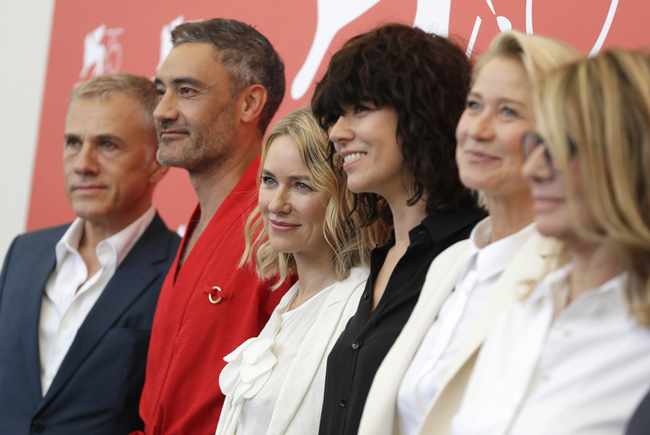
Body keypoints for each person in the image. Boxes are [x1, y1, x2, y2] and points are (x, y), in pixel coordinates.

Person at [357, 31, 581, 435]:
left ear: (559, 133)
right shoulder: (451, 263)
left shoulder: (572, 273)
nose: (477, 128)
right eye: (474, 105)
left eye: (508, 112)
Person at [451, 48, 650, 435]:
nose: (533, 169)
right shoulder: (520, 315)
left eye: (561, 148)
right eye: (536, 144)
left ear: (631, 159)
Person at [311, 23, 487, 435]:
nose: (337, 132)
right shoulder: (382, 256)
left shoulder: (481, 251)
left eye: (360, 109)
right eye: (337, 115)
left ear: (422, 112)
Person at [0, 73, 179, 434]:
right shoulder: (24, 252)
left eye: (107, 145)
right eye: (73, 142)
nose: (83, 163)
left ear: (157, 162)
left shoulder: (179, 270)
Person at [136, 18, 288, 435]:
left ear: (249, 104)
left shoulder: (281, 224)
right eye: (160, 90)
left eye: (186, 91)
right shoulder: (199, 221)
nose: (163, 111)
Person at [215, 108, 376, 435]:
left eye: (302, 185)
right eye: (269, 180)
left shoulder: (361, 307)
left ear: (342, 196)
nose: (276, 203)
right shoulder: (290, 300)